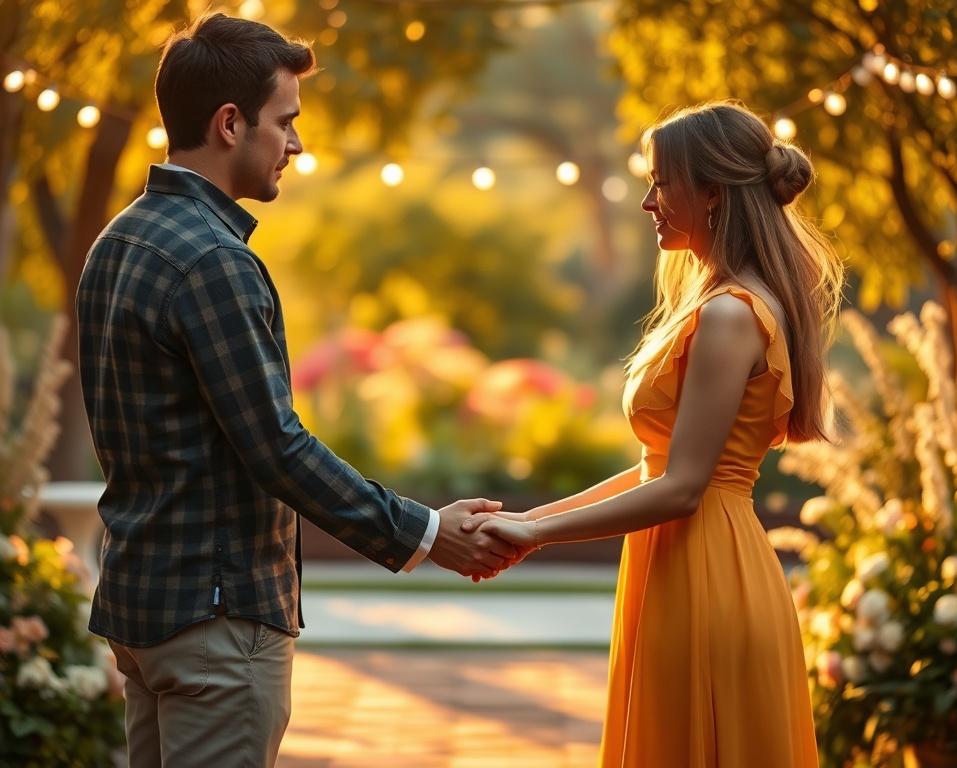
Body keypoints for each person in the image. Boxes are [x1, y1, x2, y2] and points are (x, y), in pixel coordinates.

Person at [76, 13, 516, 768]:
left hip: (144, 611)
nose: (297, 144)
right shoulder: (213, 260)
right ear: (228, 123)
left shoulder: (117, 240)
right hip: (217, 621)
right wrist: (424, 531)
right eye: (285, 122)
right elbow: (276, 446)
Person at [463, 101, 844, 767]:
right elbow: (660, 468)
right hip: (691, 565)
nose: (647, 201)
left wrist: (539, 533)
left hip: (707, 576)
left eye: (662, 182)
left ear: (713, 193)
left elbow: (683, 489)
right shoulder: (726, 303)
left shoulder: (730, 315)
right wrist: (530, 522)